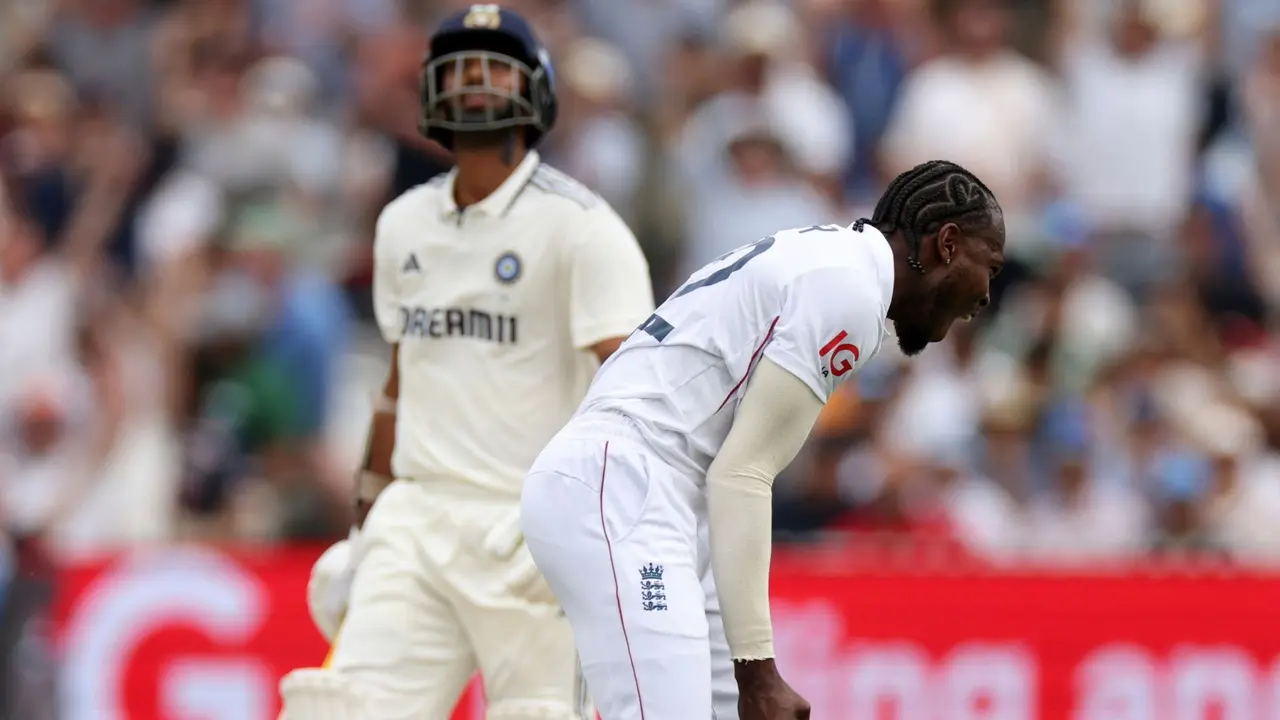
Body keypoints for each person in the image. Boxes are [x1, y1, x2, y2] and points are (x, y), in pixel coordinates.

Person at [521, 159, 1006, 719]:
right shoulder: (850, 290)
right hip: (628, 486)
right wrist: (759, 672)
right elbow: (742, 475)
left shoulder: (834, 262)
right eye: (990, 267)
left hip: (661, 494)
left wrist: (754, 673)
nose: (986, 295)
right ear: (947, 243)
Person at [277, 5, 655, 719]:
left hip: (528, 532)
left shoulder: (583, 228)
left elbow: (637, 397)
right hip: (416, 523)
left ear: (536, 90)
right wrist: (364, 529)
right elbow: (398, 387)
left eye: (494, 70)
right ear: (430, 93)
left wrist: (583, 519)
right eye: (459, 70)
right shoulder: (403, 224)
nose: (475, 83)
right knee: (337, 710)